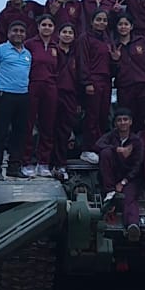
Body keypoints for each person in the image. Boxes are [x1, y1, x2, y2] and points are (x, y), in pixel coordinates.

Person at [0, 21, 32, 178]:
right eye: (15, 30)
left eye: (21, 31)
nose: (18, 33)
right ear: (8, 33)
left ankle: (14, 167)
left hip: (23, 96)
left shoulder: (27, 54)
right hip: (5, 95)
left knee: (20, 133)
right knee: (1, 132)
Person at [94, 109, 145, 233]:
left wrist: (123, 182)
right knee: (105, 152)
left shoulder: (136, 141)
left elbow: (138, 165)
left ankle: (132, 225)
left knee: (129, 198)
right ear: (115, 123)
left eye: (125, 120)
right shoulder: (112, 135)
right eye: (119, 120)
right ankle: (109, 192)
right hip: (112, 175)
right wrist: (116, 149)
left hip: (130, 178)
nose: (122, 123)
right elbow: (98, 145)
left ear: (130, 122)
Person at [21, 15, 60, 178]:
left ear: (54, 28)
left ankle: (43, 163)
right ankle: (27, 162)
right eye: (44, 24)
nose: (47, 28)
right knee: (28, 125)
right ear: (38, 27)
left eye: (50, 25)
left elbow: (60, 68)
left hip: (50, 87)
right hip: (32, 85)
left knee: (48, 126)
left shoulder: (56, 46)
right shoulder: (29, 44)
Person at [111, 14, 145, 125]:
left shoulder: (142, 41)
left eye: (126, 24)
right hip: (125, 88)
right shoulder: (113, 46)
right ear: (116, 27)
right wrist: (115, 60)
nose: (123, 27)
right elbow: (111, 72)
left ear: (131, 26)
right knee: (129, 119)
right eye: (120, 24)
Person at [78, 11, 114, 146]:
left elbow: (111, 62)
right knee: (91, 116)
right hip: (93, 80)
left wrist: (115, 60)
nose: (101, 23)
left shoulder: (107, 39)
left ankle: (100, 146)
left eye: (104, 20)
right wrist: (87, 82)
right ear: (92, 21)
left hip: (106, 80)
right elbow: (82, 61)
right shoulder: (85, 38)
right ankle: (89, 147)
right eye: (98, 19)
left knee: (103, 114)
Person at [52, 23, 80, 177]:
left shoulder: (77, 54)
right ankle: (46, 163)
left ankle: (61, 164)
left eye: (70, 32)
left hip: (71, 95)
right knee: (50, 129)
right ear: (59, 34)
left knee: (64, 131)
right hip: (53, 93)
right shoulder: (53, 51)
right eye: (64, 32)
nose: (67, 35)